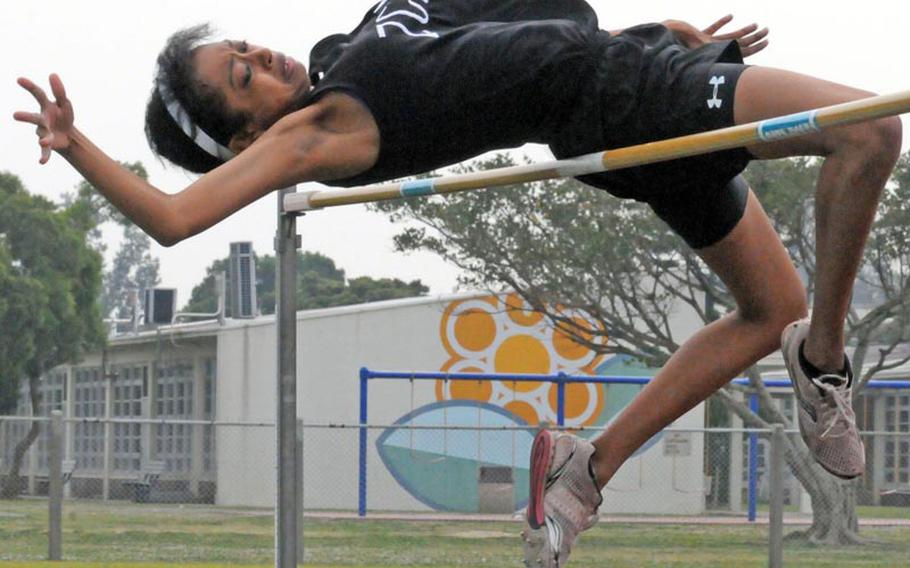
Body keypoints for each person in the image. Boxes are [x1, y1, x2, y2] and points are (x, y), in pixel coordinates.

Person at [14, 1, 902, 565]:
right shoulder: (320, 129)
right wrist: (78, 144)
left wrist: (665, 35)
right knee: (868, 134)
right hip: (625, 100)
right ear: (247, 139)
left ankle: (584, 472)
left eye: (247, 46)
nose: (267, 60)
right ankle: (825, 362)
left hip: (626, 78)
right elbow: (175, 219)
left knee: (767, 309)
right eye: (245, 79)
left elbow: (506, 34)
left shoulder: (350, 44)